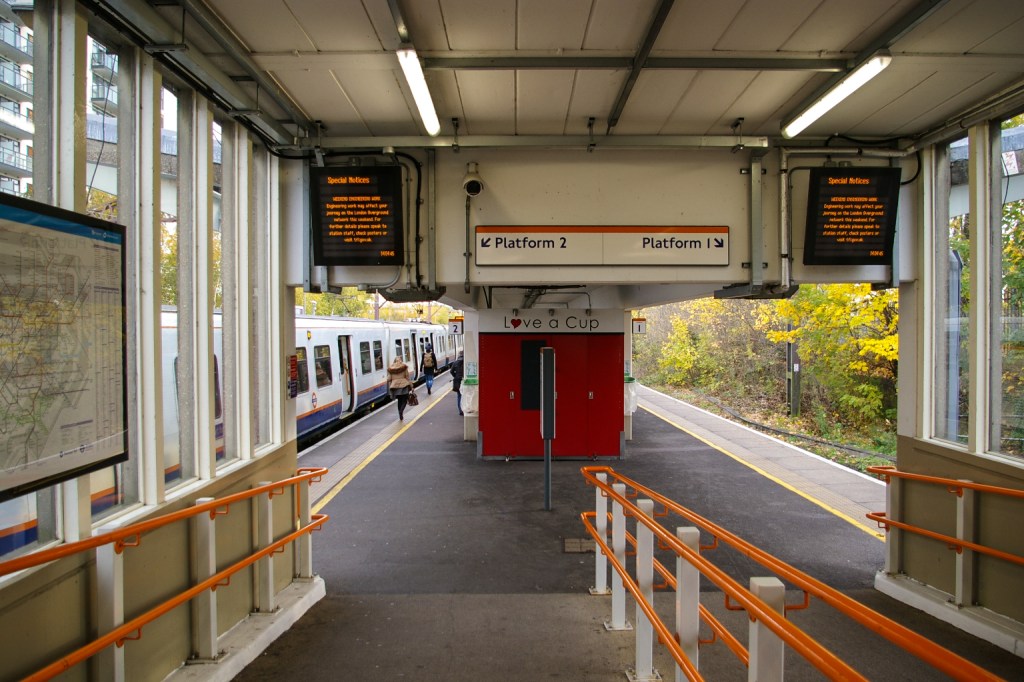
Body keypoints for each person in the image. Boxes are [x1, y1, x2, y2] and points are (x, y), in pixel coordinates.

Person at [387, 355, 413, 420]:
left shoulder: (391, 369)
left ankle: (399, 412)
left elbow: (388, 379)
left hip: (395, 387)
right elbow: (407, 377)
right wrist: (411, 386)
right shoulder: (404, 367)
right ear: (401, 361)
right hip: (404, 386)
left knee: (399, 400)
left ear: (395, 361)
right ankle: (401, 411)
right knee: (404, 400)